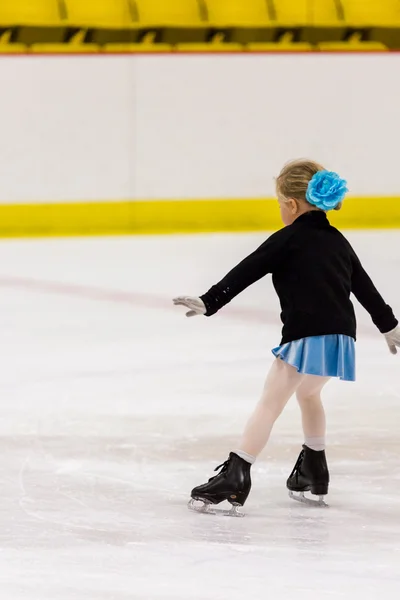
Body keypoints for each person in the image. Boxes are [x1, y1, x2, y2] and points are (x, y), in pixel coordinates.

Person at [173, 159, 400, 515]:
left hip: (305, 335)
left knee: (270, 402)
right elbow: (365, 288)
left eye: (280, 204)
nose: (280, 210)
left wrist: (210, 301)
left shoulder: (289, 239)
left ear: (292, 205)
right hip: (341, 337)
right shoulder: (339, 241)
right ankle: (314, 470)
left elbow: (246, 270)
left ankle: (236, 476)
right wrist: (389, 326)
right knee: (309, 394)